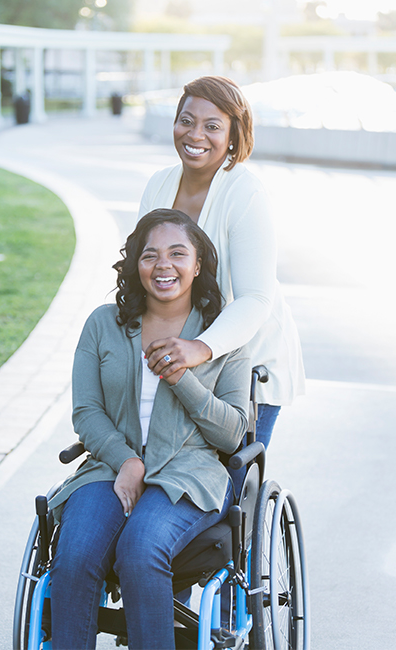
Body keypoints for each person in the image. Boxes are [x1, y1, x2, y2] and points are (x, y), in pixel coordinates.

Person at [48, 209, 251, 650]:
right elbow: (86, 411)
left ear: (198, 264)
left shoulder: (222, 334)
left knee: (141, 552)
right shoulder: (104, 324)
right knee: (75, 555)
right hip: (110, 469)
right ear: (135, 265)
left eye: (178, 253)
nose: (163, 265)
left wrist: (182, 378)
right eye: (149, 255)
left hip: (188, 474)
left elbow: (233, 433)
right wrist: (127, 460)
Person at [139, 75, 305, 454]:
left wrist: (200, 347)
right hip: (181, 357)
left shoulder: (245, 193)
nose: (195, 134)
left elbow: (255, 299)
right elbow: (144, 268)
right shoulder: (158, 185)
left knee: (228, 487)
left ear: (233, 135)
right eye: (186, 120)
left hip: (245, 364)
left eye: (212, 126)